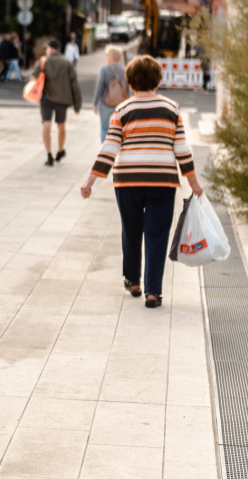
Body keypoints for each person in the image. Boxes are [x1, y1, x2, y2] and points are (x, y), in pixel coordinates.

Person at [79, 55, 203, 308]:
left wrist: (90, 180)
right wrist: (194, 183)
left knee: (131, 230)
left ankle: (133, 281)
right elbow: (182, 150)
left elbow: (109, 149)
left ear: (131, 82)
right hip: (162, 182)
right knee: (157, 235)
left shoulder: (122, 111)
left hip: (128, 182)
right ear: (157, 80)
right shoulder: (171, 109)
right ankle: (153, 293)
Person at [38, 39, 82, 166]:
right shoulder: (67, 63)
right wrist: (77, 105)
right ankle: (60, 150)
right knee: (61, 125)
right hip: (62, 100)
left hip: (46, 99)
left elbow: (34, 78)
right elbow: (75, 85)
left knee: (46, 125)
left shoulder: (43, 61)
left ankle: (49, 154)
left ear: (51, 49)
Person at [92, 45, 130, 142]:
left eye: (107, 55)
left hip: (105, 103)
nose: (106, 57)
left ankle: (104, 152)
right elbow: (127, 88)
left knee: (104, 128)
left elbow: (99, 87)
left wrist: (95, 103)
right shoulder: (125, 70)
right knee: (120, 129)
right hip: (120, 105)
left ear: (112, 56)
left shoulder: (104, 69)